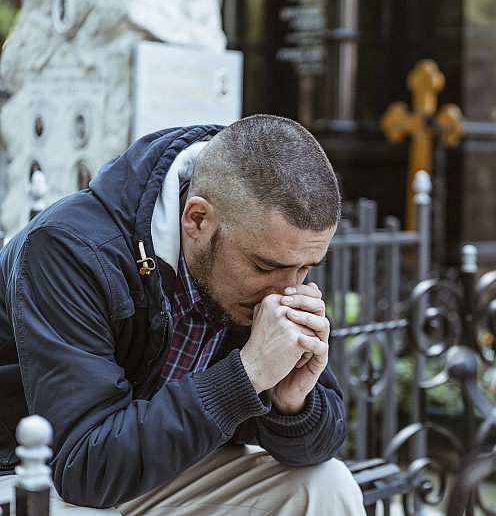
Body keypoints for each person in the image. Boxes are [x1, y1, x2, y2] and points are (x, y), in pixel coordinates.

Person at [0, 115, 365, 515]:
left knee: (326, 485)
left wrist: (291, 404)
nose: (286, 291)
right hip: (33, 473)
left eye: (306, 268)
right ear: (197, 219)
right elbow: (84, 468)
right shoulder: (68, 250)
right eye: (264, 267)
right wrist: (247, 374)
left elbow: (320, 444)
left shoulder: (267, 259)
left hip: (158, 465)